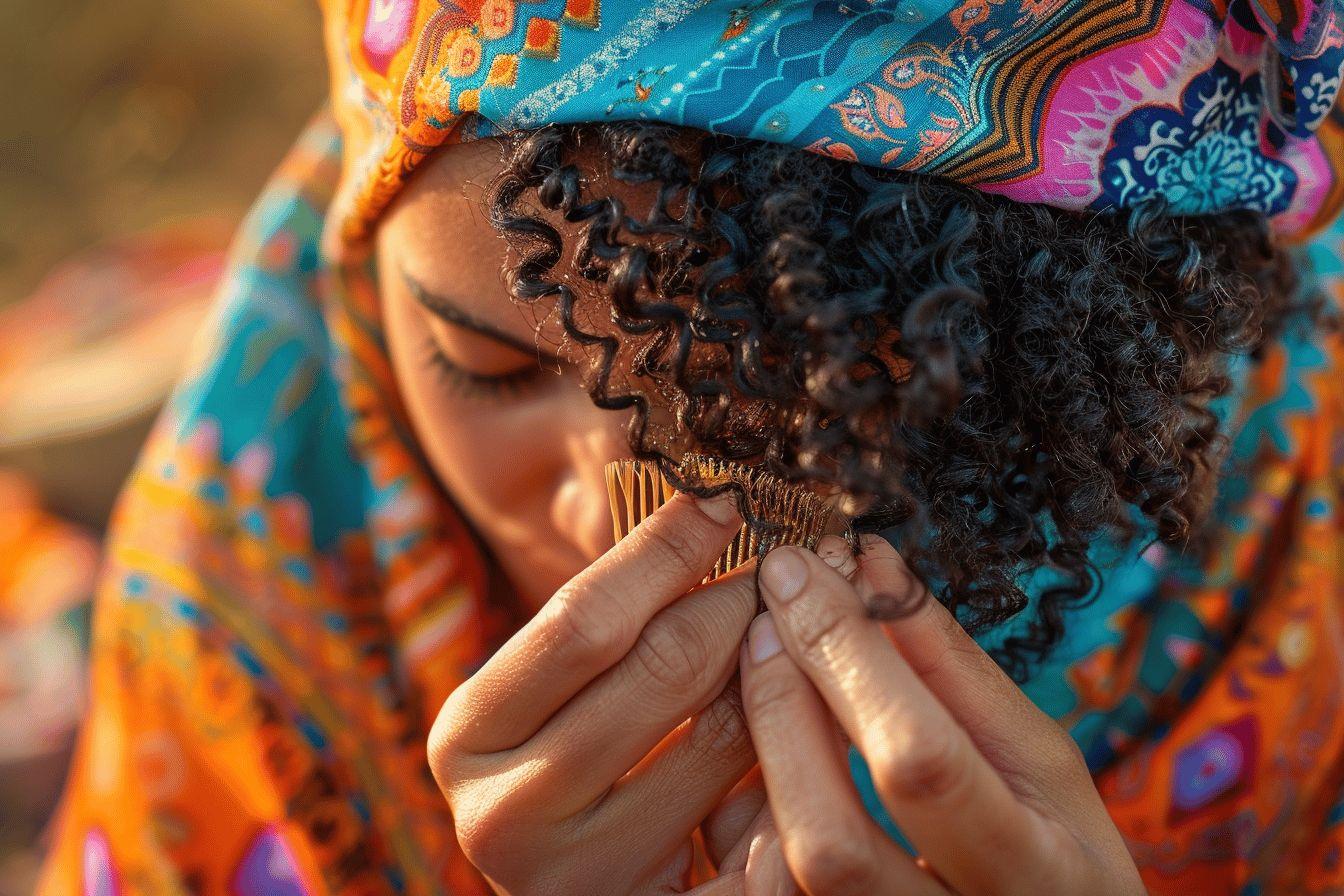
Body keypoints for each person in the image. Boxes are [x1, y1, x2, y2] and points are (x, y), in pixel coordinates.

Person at [36, 0, 1344, 893]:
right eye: (486, 368)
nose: (611, 513)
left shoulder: (1306, 557)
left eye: (778, 393)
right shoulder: (260, 599)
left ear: (1061, 363)